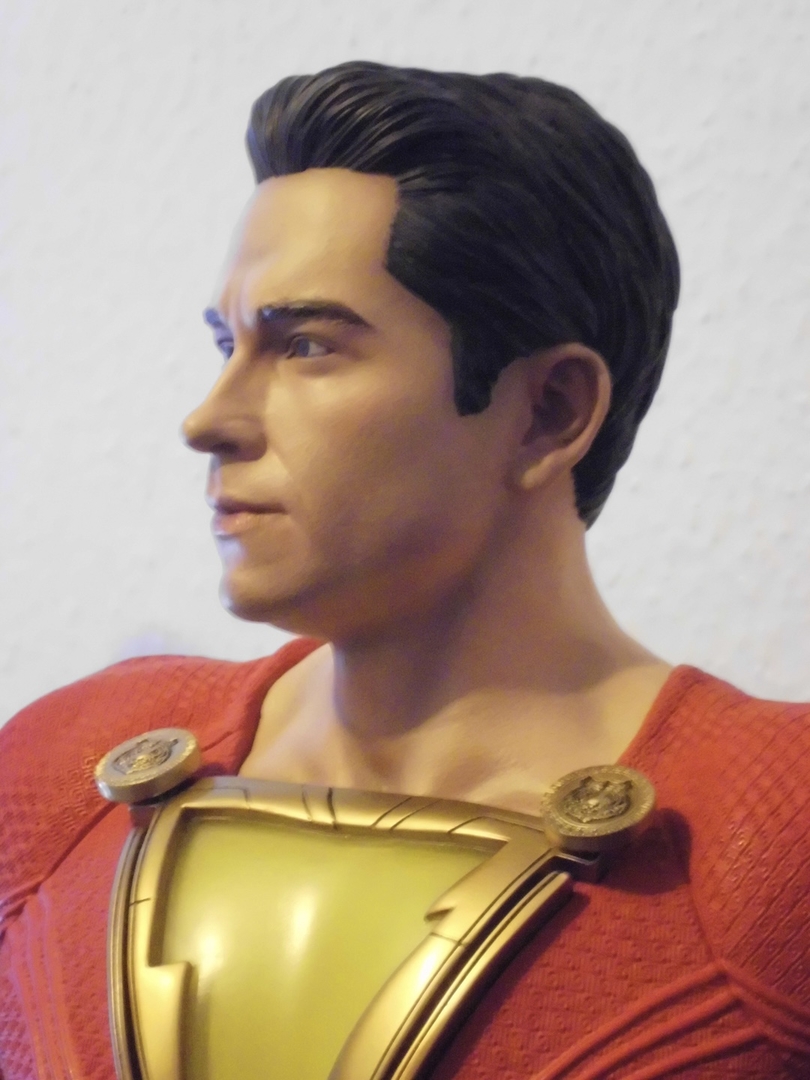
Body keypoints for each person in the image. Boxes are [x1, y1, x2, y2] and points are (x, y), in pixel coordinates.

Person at [1, 61, 808, 1080]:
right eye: (226, 343)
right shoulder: (59, 783)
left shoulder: (767, 841)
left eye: (306, 346)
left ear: (548, 410)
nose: (210, 419)